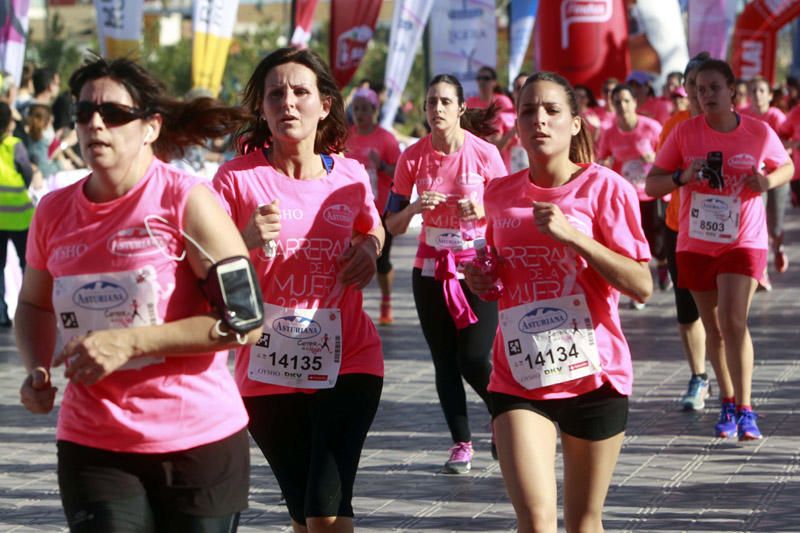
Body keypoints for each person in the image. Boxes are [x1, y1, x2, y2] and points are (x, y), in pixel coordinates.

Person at [16, 56, 262, 532]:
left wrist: (130, 342)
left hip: (198, 440)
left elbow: (246, 319)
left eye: (113, 113)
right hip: (93, 442)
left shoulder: (186, 201)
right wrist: (37, 369)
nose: (94, 124)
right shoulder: (52, 212)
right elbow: (32, 303)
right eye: (83, 112)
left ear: (151, 127)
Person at [465, 71, 652, 533]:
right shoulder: (499, 194)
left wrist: (575, 237)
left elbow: (641, 285)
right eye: (528, 111)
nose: (539, 120)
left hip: (594, 376)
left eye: (551, 110)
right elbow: (496, 283)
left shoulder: (606, 188)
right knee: (534, 521)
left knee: (584, 523)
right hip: (518, 376)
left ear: (575, 123)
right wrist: (481, 280)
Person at [213, 47, 385, 533]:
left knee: (325, 514)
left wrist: (370, 248)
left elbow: (372, 229)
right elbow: (200, 269)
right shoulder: (234, 180)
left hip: (348, 360)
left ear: (325, 105)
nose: (287, 102)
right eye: (275, 94)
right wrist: (243, 240)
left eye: (300, 92)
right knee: (303, 516)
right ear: (262, 109)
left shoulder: (348, 175)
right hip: (267, 371)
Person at [647, 59, 793, 440]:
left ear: (732, 91)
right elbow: (653, 184)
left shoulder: (758, 132)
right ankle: (726, 401)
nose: (706, 95)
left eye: (714, 87)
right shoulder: (683, 133)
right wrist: (683, 176)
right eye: (699, 89)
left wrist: (766, 180)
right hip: (695, 241)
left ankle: (746, 408)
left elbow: (788, 167)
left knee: (734, 321)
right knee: (712, 326)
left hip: (743, 238)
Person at [385, 74, 506, 474]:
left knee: (473, 357)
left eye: (444, 102)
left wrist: (484, 212)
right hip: (430, 269)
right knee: (444, 362)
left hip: (476, 266)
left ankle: (505, 415)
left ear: (460, 109)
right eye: (431, 102)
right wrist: (416, 209)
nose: (437, 109)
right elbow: (392, 224)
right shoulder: (412, 157)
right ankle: (461, 443)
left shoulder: (486, 154)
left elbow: (510, 215)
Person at [656, 51, 712, 411]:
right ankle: (699, 376)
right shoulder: (674, 124)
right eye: (692, 85)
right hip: (682, 227)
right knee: (688, 311)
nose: (698, 92)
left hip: (726, 233)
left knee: (724, 314)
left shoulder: (735, 124)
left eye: (706, 86)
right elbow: (656, 179)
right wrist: (680, 177)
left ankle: (732, 379)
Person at [596, 84, 667, 303]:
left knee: (657, 241)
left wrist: (654, 158)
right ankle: (637, 288)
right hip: (625, 195)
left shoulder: (651, 127)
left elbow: (667, 156)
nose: (622, 106)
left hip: (651, 191)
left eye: (626, 101)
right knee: (632, 240)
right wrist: (604, 163)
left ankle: (663, 268)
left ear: (635, 103)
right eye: (617, 102)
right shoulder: (609, 133)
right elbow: (602, 158)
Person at [344, 87, 401, 325]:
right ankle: (354, 309)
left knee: (382, 260)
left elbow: (399, 173)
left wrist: (382, 166)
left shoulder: (385, 139)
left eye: (365, 109)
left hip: (380, 209)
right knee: (351, 258)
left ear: (374, 111)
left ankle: (386, 300)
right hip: (351, 211)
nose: (360, 114)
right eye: (356, 109)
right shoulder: (346, 136)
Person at [742, 76, 791, 277]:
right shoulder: (741, 115)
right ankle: (761, 272)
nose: (757, 95)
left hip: (777, 176)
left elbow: (789, 139)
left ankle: (778, 248)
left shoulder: (776, 116)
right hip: (755, 177)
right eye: (753, 91)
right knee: (757, 222)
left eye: (762, 91)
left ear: (770, 95)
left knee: (775, 224)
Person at [0, 101, 34, 327]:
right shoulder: (15, 145)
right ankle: (30, 310)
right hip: (21, 216)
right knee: (28, 265)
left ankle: (1, 313)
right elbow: (27, 172)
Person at [466, 66, 516, 171]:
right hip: (475, 159)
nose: (482, 82)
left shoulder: (503, 101)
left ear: (494, 82)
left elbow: (511, 131)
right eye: (479, 78)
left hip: (501, 160)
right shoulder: (470, 103)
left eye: (486, 78)